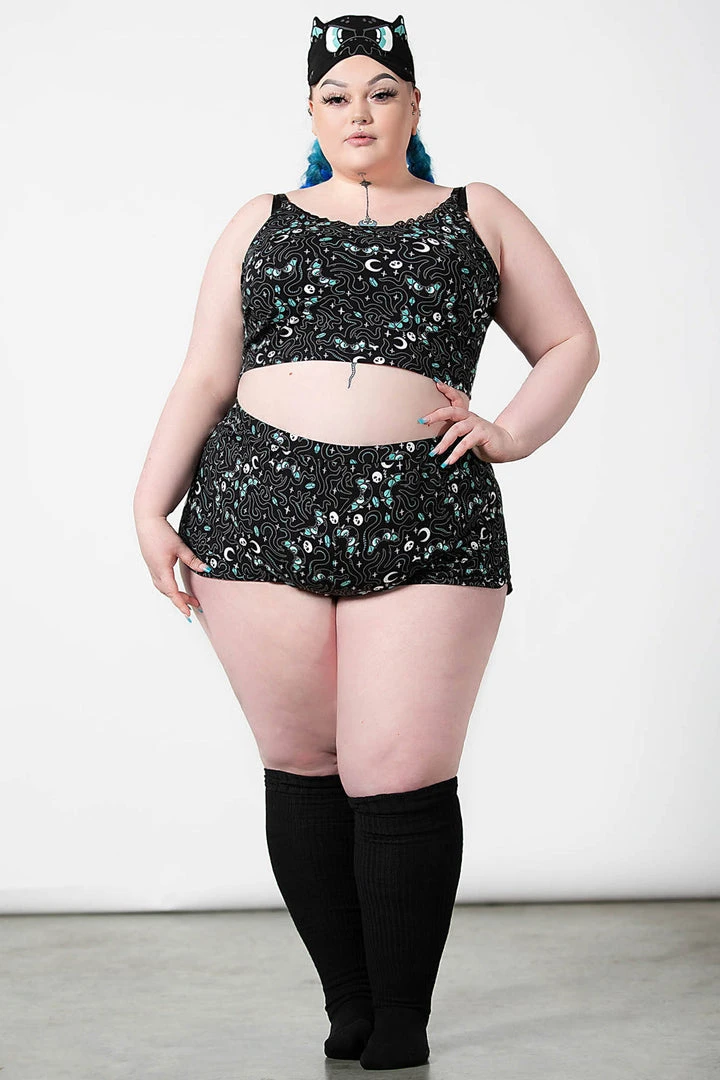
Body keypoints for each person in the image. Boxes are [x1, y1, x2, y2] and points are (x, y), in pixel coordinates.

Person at [133, 12, 600, 1071]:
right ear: (309, 111)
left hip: (426, 507)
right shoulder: (259, 219)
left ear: (415, 105)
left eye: (382, 92)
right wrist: (150, 507)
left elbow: (571, 339)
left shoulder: (480, 212)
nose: (360, 112)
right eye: (336, 95)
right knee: (302, 763)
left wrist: (511, 432)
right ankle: (348, 1006)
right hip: (257, 507)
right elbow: (206, 373)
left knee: (401, 770)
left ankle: (402, 1022)